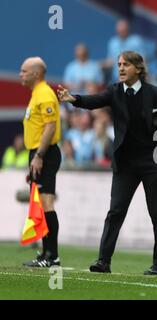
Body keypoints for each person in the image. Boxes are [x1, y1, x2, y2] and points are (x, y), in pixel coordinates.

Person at [57, 51, 157, 275]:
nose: (121, 68)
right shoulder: (115, 91)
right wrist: (75, 99)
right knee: (115, 212)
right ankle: (103, 261)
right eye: (119, 64)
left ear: (138, 69)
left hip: (153, 163)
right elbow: (95, 101)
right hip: (126, 163)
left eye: (126, 65)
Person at [20, 57, 62, 267]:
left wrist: (39, 156)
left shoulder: (44, 93)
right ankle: (46, 253)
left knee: (46, 202)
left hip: (45, 153)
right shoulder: (37, 94)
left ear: (36, 73)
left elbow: (50, 127)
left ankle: (52, 255)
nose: (21, 74)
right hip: (37, 153)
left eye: (24, 71)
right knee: (40, 203)